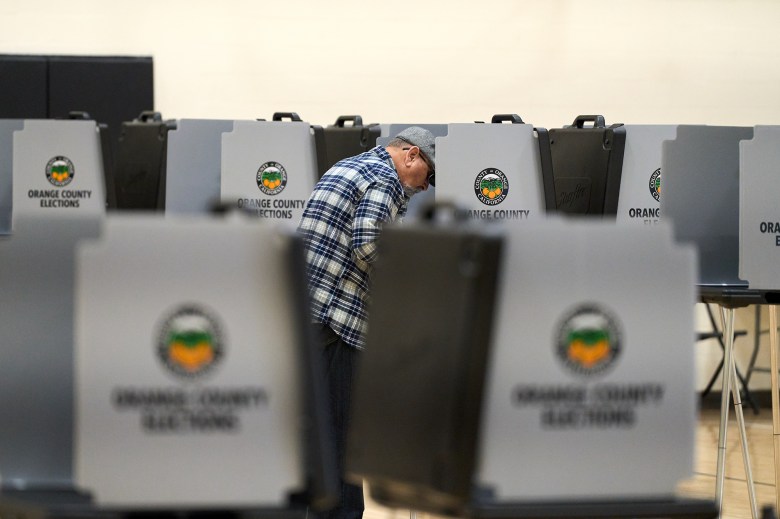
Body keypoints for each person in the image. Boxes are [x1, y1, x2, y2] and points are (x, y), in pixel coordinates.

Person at [297, 127, 436, 519]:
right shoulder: (385, 180)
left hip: (307, 315)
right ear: (410, 155)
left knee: (314, 441)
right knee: (344, 447)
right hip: (335, 323)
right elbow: (369, 244)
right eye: (429, 175)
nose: (426, 187)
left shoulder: (348, 166)